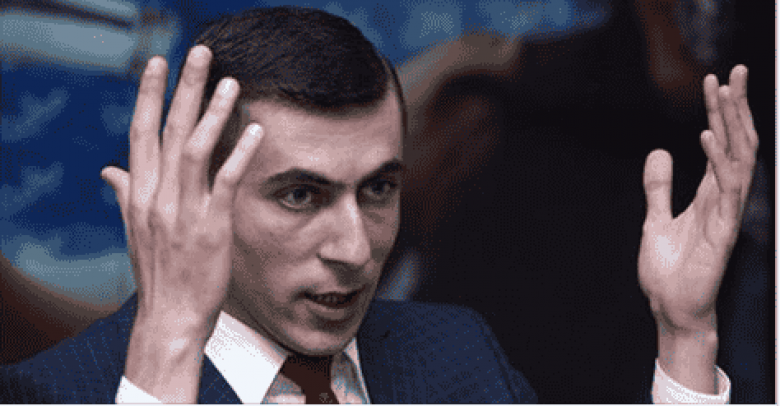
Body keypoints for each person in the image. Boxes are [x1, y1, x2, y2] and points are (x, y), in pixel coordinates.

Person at [0, 6, 757, 403]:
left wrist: (685, 337)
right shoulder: (60, 392)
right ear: (193, 199)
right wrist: (167, 353)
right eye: (300, 195)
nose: (355, 248)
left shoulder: (459, 354)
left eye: (378, 190)